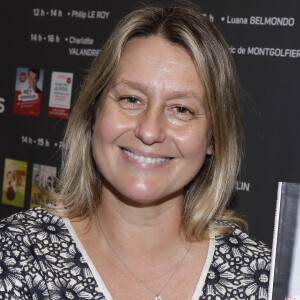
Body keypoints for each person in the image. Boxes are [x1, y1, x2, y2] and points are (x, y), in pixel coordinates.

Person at [0, 1, 271, 299]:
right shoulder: (13, 255)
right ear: (95, 112)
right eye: (131, 99)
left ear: (212, 138)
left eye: (181, 109)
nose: (149, 130)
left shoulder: (262, 280)